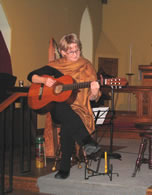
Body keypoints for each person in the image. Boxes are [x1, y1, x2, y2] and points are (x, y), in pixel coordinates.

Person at [27, 33, 101, 179]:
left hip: (80, 108)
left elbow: (92, 99)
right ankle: (86, 141)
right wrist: (43, 80)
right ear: (62, 52)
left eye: (77, 49)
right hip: (57, 109)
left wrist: (95, 91)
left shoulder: (86, 66)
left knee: (68, 119)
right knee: (61, 106)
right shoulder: (56, 65)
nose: (76, 54)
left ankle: (64, 168)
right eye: (71, 51)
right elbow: (31, 76)